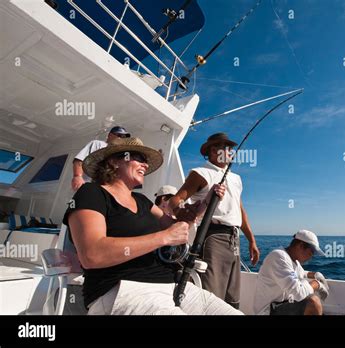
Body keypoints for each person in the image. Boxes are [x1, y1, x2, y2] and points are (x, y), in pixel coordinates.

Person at [63, 137, 241, 315]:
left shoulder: (142, 201)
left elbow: (178, 229)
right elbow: (92, 254)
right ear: (114, 161)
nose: (146, 165)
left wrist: (204, 204)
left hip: (172, 286)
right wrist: (163, 237)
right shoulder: (91, 193)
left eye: (146, 161)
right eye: (139, 158)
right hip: (122, 290)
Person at [168, 132, 260, 309]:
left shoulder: (236, 178)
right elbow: (175, 200)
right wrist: (182, 212)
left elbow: (240, 211)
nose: (230, 151)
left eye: (230, 148)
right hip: (213, 237)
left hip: (234, 240)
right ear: (212, 150)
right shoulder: (201, 173)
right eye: (225, 147)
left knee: (232, 298)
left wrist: (252, 240)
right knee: (213, 298)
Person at [253, 230, 329, 315]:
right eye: (312, 252)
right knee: (313, 302)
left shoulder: (293, 260)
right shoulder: (279, 257)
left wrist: (315, 274)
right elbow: (298, 293)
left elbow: (302, 273)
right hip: (269, 311)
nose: (312, 256)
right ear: (300, 246)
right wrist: (317, 284)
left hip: (282, 305)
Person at [71, 126, 130, 192]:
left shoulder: (118, 154)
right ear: (110, 135)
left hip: (105, 190)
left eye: (124, 137)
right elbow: (79, 160)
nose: (121, 139)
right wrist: (77, 176)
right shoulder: (97, 144)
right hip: (88, 186)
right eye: (119, 135)